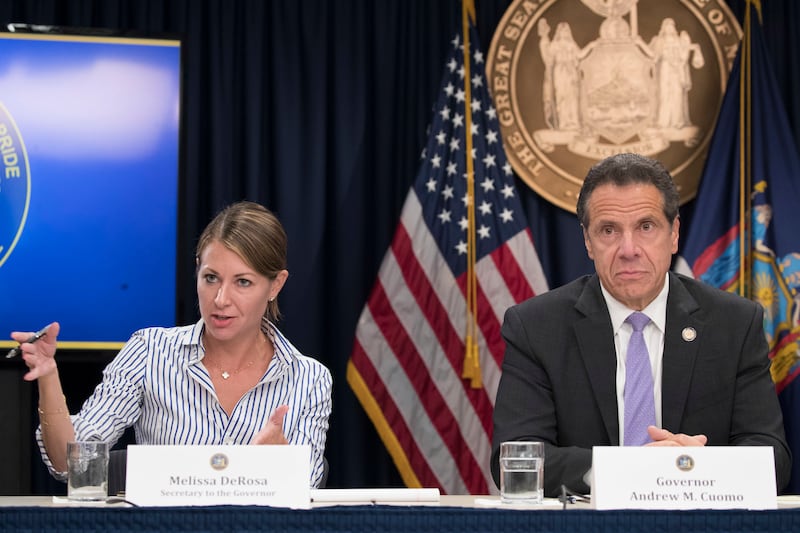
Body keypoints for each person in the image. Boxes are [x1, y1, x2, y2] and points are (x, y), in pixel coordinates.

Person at [491, 153, 791, 497]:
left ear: (674, 234)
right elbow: (516, 460)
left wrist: (692, 468)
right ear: (588, 241)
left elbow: (772, 458)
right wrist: (631, 469)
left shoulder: (734, 324)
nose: (628, 249)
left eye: (646, 227)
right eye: (608, 230)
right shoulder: (536, 327)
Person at [12, 201, 333, 488]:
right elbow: (72, 465)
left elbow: (306, 488)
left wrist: (282, 463)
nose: (221, 299)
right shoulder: (149, 352)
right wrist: (48, 375)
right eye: (211, 278)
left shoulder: (308, 378)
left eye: (243, 282)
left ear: (275, 285)